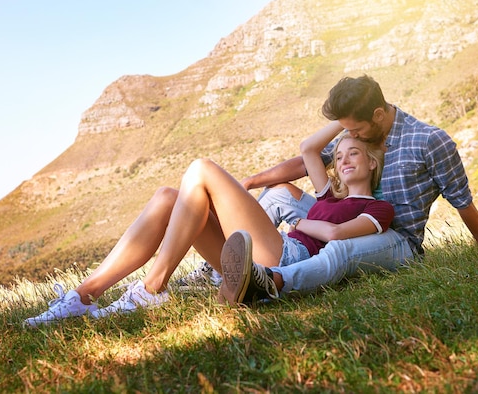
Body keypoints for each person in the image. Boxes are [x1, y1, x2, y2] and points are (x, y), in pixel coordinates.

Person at [23, 121, 392, 326]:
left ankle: (150, 291)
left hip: (288, 256)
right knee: (168, 197)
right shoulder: (329, 194)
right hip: (279, 245)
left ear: (372, 163)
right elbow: (309, 148)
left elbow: (335, 234)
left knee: (201, 169)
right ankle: (83, 297)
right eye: (339, 155)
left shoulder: (378, 208)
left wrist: (302, 222)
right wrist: (343, 121)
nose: (343, 160)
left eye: (353, 153)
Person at [220, 73, 478, 304]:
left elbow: (461, 200)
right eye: (346, 129)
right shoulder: (360, 136)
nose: (349, 136)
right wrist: (251, 181)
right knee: (279, 192)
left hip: (395, 237)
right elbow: (311, 158)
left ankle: (271, 282)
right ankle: (220, 270)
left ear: (378, 114)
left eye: (354, 130)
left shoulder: (429, 140)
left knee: (341, 249)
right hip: (350, 210)